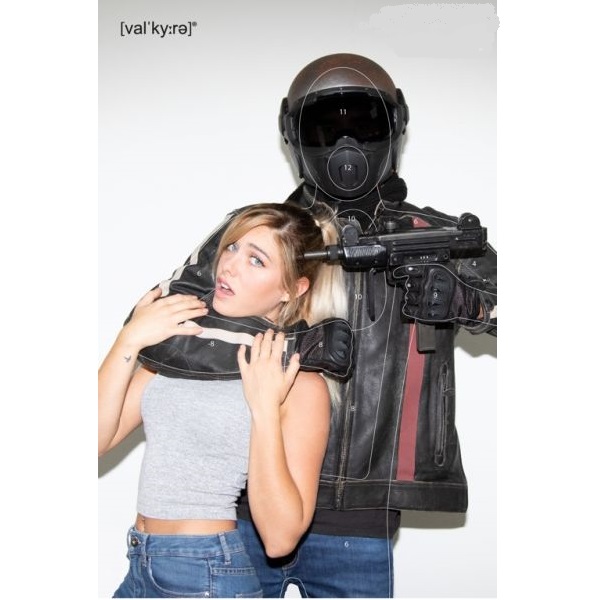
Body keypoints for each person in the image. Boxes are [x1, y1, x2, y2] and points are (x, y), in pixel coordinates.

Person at [130, 53, 497, 598]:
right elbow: (165, 320)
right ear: (292, 132)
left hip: (363, 513)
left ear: (396, 122)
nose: (346, 144)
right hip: (248, 499)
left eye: (364, 123)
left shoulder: (434, 238)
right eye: (326, 126)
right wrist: (291, 347)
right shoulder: (261, 237)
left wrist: (468, 302)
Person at [98, 202, 350, 598]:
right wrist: (128, 340)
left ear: (292, 288)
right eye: (232, 247)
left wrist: (264, 409)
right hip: (140, 563)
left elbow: (280, 539)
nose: (230, 266)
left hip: (206, 574)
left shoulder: (297, 380)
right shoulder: (182, 346)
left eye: (256, 260)